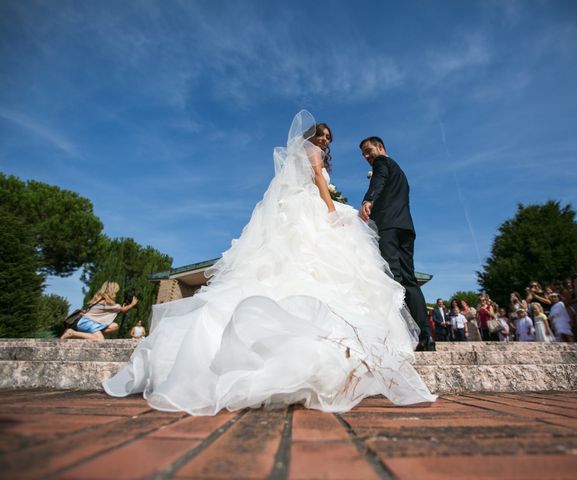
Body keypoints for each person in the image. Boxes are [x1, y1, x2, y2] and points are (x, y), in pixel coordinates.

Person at [104, 111, 437, 415]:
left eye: (328, 138)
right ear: (311, 136)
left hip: (294, 207)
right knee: (320, 259)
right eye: (321, 135)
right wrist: (331, 208)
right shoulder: (315, 156)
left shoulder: (299, 156)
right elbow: (320, 181)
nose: (324, 141)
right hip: (311, 206)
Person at [358, 136, 435, 352]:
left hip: (389, 228)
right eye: (363, 154)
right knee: (409, 280)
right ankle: (425, 335)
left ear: (380, 147)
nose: (366, 156)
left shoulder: (382, 164)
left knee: (393, 279)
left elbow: (378, 180)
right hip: (406, 229)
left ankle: (401, 335)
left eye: (367, 150)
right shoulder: (400, 172)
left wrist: (368, 199)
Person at [61, 281, 137, 341]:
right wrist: (132, 304)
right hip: (87, 323)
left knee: (114, 326)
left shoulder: (99, 298)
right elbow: (122, 309)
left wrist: (120, 308)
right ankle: (72, 333)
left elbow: (117, 309)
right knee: (99, 339)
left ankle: (87, 335)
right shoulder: (108, 303)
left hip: (87, 322)